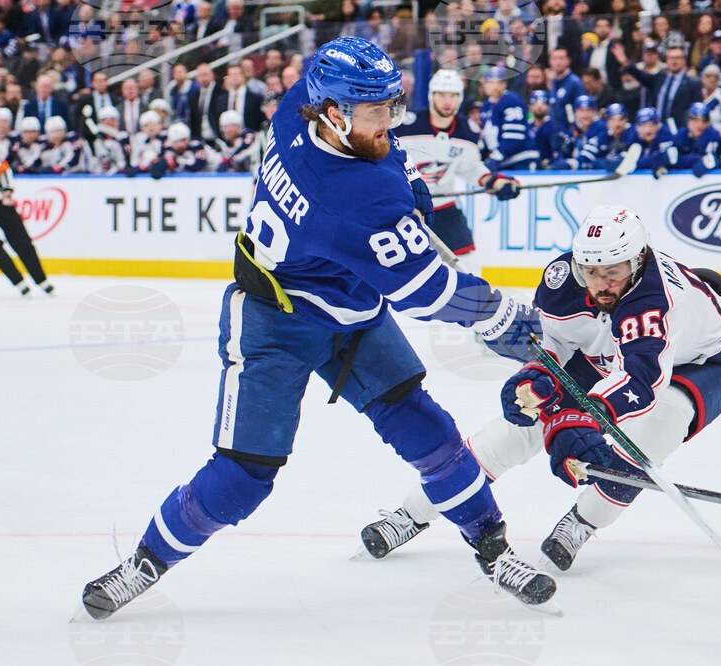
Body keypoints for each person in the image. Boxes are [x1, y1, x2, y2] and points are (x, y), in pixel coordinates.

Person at [79, 37, 556, 621]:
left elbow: (379, 176)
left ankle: (493, 546)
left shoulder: (297, 106)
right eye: (377, 112)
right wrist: (500, 315)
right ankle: (144, 564)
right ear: (335, 114)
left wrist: (406, 191)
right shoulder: (354, 199)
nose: (391, 122)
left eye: (390, 105)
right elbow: (429, 291)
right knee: (241, 479)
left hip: (349, 312)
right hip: (275, 325)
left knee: (430, 433)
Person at [359, 204, 721, 571]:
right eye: (590, 271)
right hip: (603, 356)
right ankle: (412, 513)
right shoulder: (563, 280)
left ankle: (583, 522)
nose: (601, 284)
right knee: (517, 430)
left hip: (696, 364)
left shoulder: (656, 304)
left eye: (612, 272)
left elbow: (640, 381)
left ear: (638, 260)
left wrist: (583, 419)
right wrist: (538, 377)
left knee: (651, 434)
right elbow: (555, 344)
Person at [394, 69, 520, 268]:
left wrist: (495, 181)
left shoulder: (468, 131)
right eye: (441, 95)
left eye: (453, 95)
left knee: (467, 267)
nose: (447, 101)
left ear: (460, 98)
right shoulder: (405, 126)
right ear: (431, 95)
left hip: (444, 210)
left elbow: (470, 168)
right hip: (405, 209)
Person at [0, 145, 54, 296]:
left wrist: (8, 191)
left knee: (22, 241)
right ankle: (18, 281)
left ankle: (41, 279)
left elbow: (4, 170)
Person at [479, 66, 540, 171]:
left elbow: (514, 136)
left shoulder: (511, 100)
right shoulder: (486, 105)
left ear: (504, 84)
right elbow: (487, 136)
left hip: (520, 159)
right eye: (491, 82)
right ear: (484, 84)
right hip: (504, 161)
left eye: (499, 82)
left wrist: (496, 158)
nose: (495, 86)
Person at [649, 102, 721, 178]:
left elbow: (711, 160)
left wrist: (679, 160)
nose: (700, 124)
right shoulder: (681, 134)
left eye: (705, 120)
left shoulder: (714, 136)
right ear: (688, 121)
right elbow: (668, 157)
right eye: (695, 119)